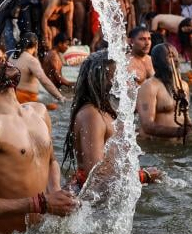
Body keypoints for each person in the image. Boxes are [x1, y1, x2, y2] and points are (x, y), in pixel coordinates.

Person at [0, 51, 77, 234]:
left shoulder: (38, 111)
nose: (1, 58)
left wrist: (55, 191)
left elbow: (50, 162)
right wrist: (42, 204)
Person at [62, 50, 159, 191]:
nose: (124, 78)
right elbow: (94, 177)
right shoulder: (91, 115)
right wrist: (143, 176)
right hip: (95, 203)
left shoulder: (104, 110)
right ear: (102, 78)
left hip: (110, 196)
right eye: (118, 73)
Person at [136, 43, 192, 141]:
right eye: (170, 56)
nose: (175, 60)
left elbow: (185, 117)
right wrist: (179, 132)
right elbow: (147, 126)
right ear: (157, 62)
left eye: (176, 56)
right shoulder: (149, 86)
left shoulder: (183, 86)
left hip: (177, 147)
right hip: (156, 150)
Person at [10, 32, 66, 103]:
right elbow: (44, 81)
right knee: (54, 106)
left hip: (12, 96)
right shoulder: (31, 60)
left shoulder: (12, 55)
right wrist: (60, 97)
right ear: (36, 45)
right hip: (26, 98)